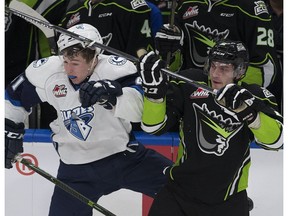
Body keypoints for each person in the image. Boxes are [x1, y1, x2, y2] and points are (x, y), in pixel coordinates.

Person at [5, 23, 173, 216]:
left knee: (184, 189)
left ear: (94, 58)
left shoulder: (116, 69)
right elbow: (12, 99)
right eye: (66, 61)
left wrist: (111, 97)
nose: (68, 69)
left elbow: (142, 111)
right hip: (75, 171)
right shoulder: (48, 71)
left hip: (126, 159)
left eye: (75, 63)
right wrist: (9, 129)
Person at [137, 39, 283, 216]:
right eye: (213, 66)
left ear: (240, 71)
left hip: (228, 200)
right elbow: (153, 127)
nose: (215, 73)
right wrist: (154, 95)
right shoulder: (189, 84)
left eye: (224, 68)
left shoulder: (254, 95)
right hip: (178, 193)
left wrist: (249, 113)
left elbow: (277, 142)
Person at [154, 0, 282, 111]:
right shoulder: (186, 5)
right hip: (190, 98)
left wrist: (227, 89)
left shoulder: (252, 8)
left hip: (235, 105)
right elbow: (175, 67)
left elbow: (266, 68)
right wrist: (167, 51)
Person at [60, 0, 156, 57]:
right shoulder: (72, 12)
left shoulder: (130, 7)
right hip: (79, 76)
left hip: (120, 78)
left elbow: (141, 49)